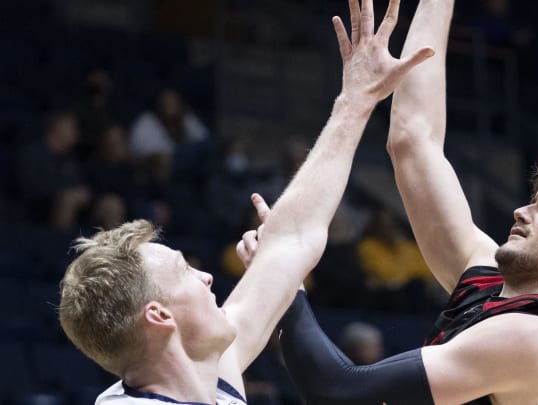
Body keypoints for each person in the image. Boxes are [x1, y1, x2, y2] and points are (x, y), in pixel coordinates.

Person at [238, 0, 538, 404]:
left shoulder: (534, 336)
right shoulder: (493, 283)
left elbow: (338, 393)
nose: (521, 211)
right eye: (534, 201)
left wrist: (283, 281)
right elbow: (413, 140)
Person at [57, 0, 434, 402]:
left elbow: (292, 239)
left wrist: (356, 101)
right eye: (184, 271)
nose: (207, 276)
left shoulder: (208, 367)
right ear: (159, 316)